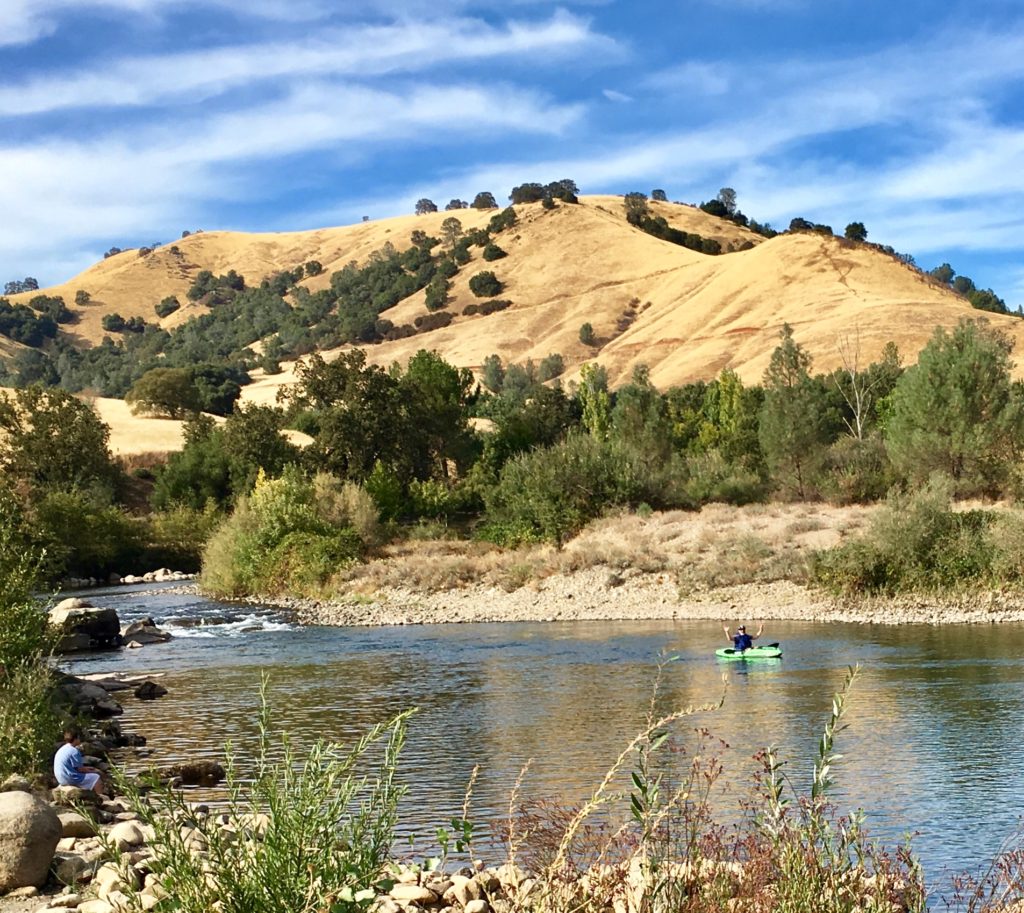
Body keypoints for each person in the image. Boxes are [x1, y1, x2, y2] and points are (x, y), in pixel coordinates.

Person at [53, 728, 104, 795]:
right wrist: (94, 771)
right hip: (70, 779)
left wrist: (87, 768)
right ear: (76, 739)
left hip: (61, 779)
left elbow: (74, 767)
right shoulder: (74, 751)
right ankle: (100, 796)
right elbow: (80, 769)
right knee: (96, 778)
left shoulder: (62, 749)